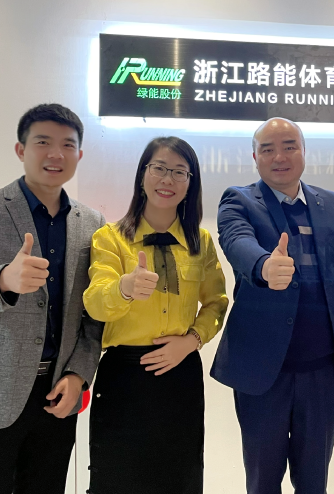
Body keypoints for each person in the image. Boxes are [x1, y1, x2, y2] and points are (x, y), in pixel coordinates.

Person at [0, 103, 105, 494]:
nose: (55, 154)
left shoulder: (92, 223)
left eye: (67, 144)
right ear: (20, 150)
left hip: (57, 392)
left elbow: (92, 314)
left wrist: (79, 375)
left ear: (79, 155)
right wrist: (2, 281)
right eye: (43, 142)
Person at [211, 117, 334, 494]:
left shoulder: (331, 203)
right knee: (263, 481)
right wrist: (263, 266)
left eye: (289, 145)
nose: (280, 156)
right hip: (263, 373)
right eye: (268, 149)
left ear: (304, 150)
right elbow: (236, 241)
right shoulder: (239, 200)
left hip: (323, 373)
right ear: (255, 157)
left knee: (314, 482)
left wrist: (324, 320)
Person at [83, 136, 229, 494]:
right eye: (160, 169)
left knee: (179, 477)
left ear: (190, 184)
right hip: (124, 376)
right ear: (142, 175)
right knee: (118, 477)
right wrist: (126, 288)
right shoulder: (110, 239)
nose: (168, 180)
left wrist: (191, 341)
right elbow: (95, 302)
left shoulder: (201, 242)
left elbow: (217, 303)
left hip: (180, 374)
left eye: (180, 172)